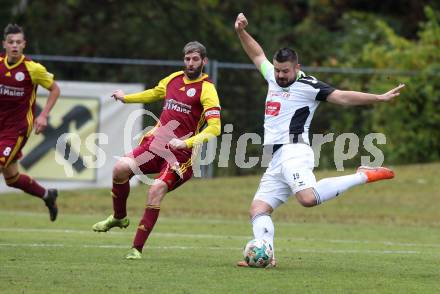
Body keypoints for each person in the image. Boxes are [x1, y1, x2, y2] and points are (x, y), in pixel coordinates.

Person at [234, 13, 404, 268]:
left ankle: (363, 175)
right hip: (276, 156)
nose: (280, 75)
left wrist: (378, 98)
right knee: (258, 209)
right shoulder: (272, 76)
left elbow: (344, 98)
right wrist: (241, 32)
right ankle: (266, 254)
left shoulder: (310, 86)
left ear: (297, 68)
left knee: (307, 199)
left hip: (295, 151)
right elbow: (257, 55)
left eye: (285, 71)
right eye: (278, 70)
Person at [92, 41, 222, 260]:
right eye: (187, 59)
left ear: (204, 62)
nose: (190, 63)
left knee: (155, 191)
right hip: (154, 146)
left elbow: (216, 128)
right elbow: (154, 93)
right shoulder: (172, 79)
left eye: (195, 59)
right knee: (120, 169)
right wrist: (126, 99)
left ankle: (136, 248)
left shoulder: (207, 89)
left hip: (180, 156)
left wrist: (187, 143)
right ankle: (118, 217)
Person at [0, 24, 60, 221]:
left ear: (24, 44)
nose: (14, 46)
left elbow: (55, 89)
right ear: (4, 44)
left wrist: (43, 116)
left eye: (18, 42)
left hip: (16, 129)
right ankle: (47, 195)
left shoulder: (32, 68)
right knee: (12, 179)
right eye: (11, 42)